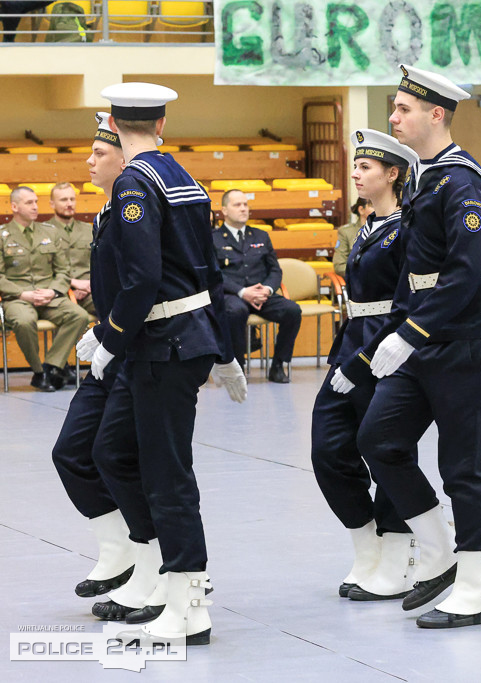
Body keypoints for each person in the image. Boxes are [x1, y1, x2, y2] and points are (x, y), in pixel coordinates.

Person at [334, 64, 481, 629]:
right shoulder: (428, 177)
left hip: (470, 338)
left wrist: (408, 334)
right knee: (379, 438)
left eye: (403, 110)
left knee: (463, 464)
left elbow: (465, 273)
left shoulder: (464, 181)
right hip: (431, 333)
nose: (393, 117)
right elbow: (418, 273)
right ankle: (438, 557)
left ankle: (476, 584)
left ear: (436, 114)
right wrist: (396, 335)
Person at [86, 82, 247, 646]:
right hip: (185, 336)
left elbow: (142, 278)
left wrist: (110, 337)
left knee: (168, 475)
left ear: (113, 121)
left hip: (162, 342)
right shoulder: (185, 178)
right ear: (159, 125)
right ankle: (166, 584)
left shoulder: (134, 183)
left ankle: (188, 604)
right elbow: (209, 272)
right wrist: (224, 349)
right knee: (116, 452)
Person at [311, 129, 418, 602]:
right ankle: (366, 542)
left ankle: (398, 553)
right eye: (355, 166)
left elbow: (406, 302)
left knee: (387, 451)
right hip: (350, 342)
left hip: (386, 347)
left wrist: (377, 352)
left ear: (393, 174)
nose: (355, 173)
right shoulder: (366, 227)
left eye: (366, 167)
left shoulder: (409, 228)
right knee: (328, 448)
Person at [51, 113, 135, 606]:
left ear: (124, 158)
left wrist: (112, 334)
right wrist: (99, 330)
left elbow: (145, 283)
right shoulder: (105, 214)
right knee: (71, 452)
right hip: (109, 344)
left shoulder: (135, 206)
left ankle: (153, 563)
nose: (89, 160)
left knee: (128, 461)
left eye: (99, 153)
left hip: (136, 348)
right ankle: (117, 548)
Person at [0, 186, 91, 391]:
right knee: (23, 321)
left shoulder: (49, 233)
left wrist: (53, 291)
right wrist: (23, 293)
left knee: (78, 315)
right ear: (14, 207)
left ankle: (51, 366)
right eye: (29, 203)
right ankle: (38, 371)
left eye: (36, 202)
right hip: (18, 296)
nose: (35, 207)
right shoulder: (3, 235)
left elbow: (63, 271)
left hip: (49, 294)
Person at [212, 189, 301, 383]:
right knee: (235, 312)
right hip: (233, 294)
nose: (243, 209)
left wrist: (267, 289)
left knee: (292, 311)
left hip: (261, 293)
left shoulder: (260, 236)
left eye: (245, 204)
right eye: (237, 205)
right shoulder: (214, 238)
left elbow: (275, 270)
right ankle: (238, 368)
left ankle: (278, 365)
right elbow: (214, 274)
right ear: (224, 210)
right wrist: (242, 292)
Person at [47, 182, 95, 315]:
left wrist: (91, 285)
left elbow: (101, 263)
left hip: (90, 292)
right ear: (52, 204)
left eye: (72, 199)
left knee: (115, 310)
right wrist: (71, 285)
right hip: (59, 293)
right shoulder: (44, 232)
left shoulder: (89, 229)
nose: (69, 203)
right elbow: (41, 270)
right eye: (63, 200)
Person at [333, 198, 373, 276]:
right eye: (373, 206)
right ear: (361, 210)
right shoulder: (346, 232)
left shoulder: (388, 230)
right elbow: (339, 265)